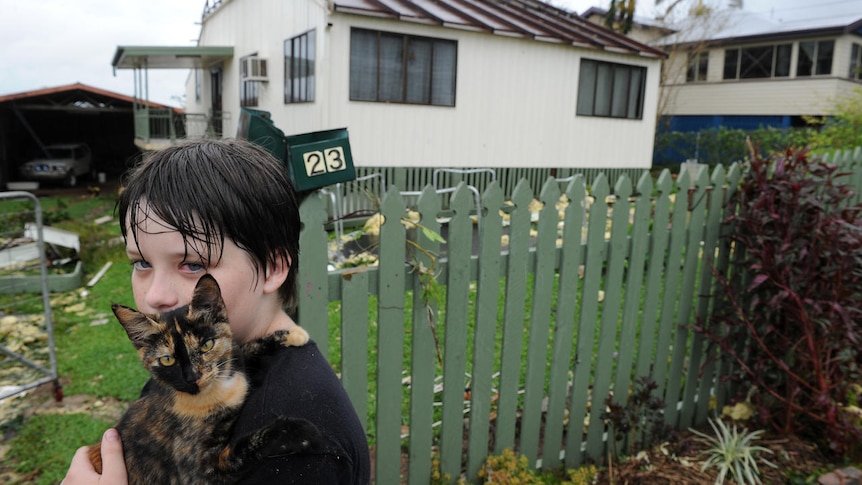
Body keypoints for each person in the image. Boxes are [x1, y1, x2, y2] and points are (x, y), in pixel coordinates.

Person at [62, 139, 371, 484]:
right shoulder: (191, 367)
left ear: (272, 267)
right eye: (142, 262)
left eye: (193, 265)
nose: (154, 296)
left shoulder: (298, 448)